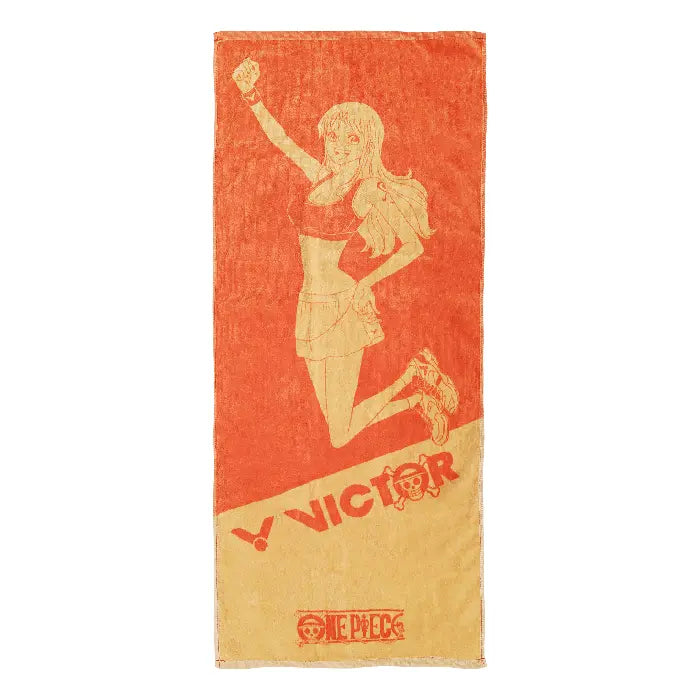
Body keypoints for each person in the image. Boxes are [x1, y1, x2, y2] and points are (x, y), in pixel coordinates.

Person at [232, 57, 458, 447]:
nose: (339, 146)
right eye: (334, 136)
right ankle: (417, 385)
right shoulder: (320, 176)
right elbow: (281, 140)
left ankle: (416, 383)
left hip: (341, 305)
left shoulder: (367, 189)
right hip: (309, 305)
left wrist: (366, 283)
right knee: (339, 425)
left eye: (352, 139)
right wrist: (251, 94)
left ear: (368, 144)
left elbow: (413, 246)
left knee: (339, 435)